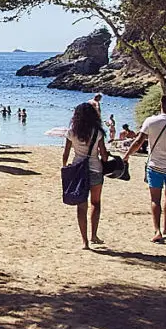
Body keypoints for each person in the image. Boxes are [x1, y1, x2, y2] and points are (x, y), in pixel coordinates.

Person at [123, 95, 166, 243]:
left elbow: (138, 141)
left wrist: (127, 155)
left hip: (154, 166)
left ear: (161, 105)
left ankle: (157, 230)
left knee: (155, 199)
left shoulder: (150, 122)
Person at [62, 102, 110, 249]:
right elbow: (104, 155)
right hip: (95, 169)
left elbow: (66, 153)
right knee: (95, 203)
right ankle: (94, 235)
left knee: (81, 205)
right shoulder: (98, 132)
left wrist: (65, 167)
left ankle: (84, 241)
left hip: (78, 170)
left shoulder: (72, 132)